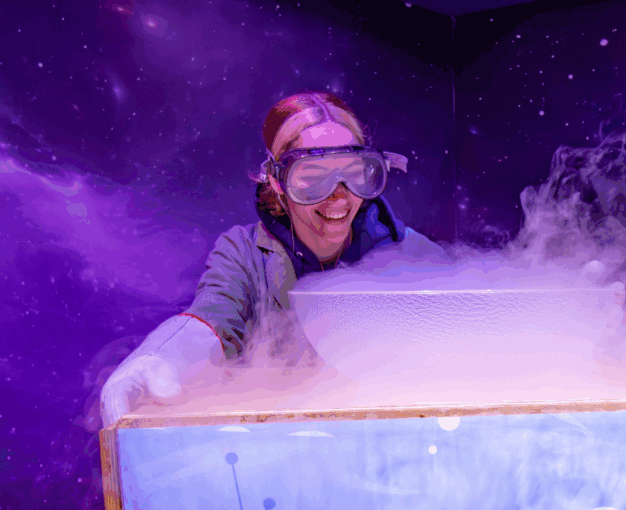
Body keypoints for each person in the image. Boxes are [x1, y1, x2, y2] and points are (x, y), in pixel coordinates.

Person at [100, 92, 448, 426]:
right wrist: (162, 360)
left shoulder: (411, 254)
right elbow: (213, 318)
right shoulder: (244, 254)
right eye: (312, 179)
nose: (338, 197)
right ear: (277, 182)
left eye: (353, 173)